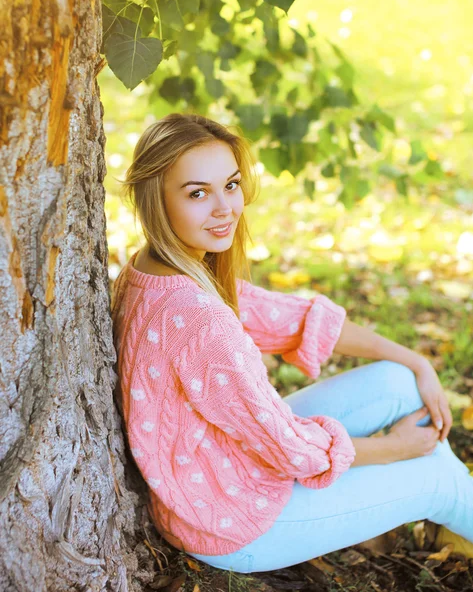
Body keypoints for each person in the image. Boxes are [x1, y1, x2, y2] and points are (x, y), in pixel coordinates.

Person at [110, 113, 473, 574]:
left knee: (400, 382)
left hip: (216, 475)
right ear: (155, 201)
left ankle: (456, 525)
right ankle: (452, 500)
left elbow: (288, 317)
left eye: (231, 184)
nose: (224, 208)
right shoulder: (199, 321)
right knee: (439, 478)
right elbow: (291, 450)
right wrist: (398, 448)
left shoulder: (152, 268)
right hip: (234, 521)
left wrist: (417, 360)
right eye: (197, 193)